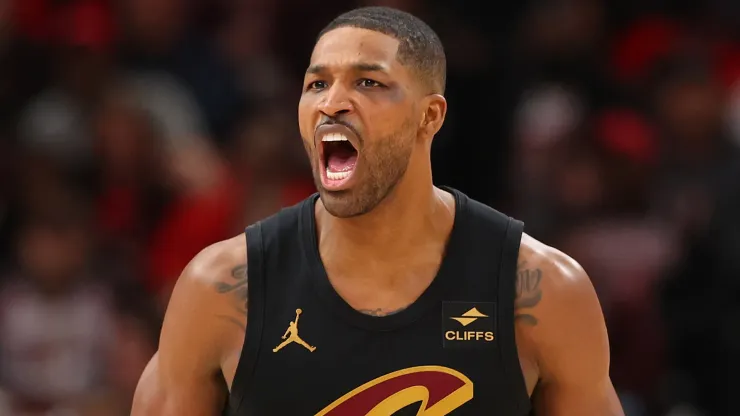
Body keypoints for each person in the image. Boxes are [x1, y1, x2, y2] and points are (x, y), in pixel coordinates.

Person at [132, 6, 624, 415]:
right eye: (317, 84)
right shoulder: (221, 289)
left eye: (368, 82)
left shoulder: (538, 290)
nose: (333, 103)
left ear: (429, 116)